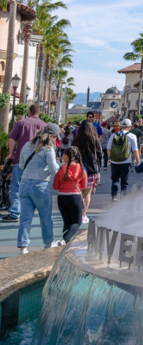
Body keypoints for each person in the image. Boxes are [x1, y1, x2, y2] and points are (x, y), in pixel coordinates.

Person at [16, 124, 60, 253]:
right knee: (45, 216)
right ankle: (48, 243)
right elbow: (53, 169)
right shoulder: (48, 148)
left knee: (25, 217)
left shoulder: (27, 145)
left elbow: (21, 165)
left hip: (24, 183)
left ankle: (23, 247)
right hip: (40, 184)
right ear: (53, 136)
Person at [3, 104, 46, 223]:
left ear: (29, 111)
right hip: (38, 163)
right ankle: (30, 212)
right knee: (35, 187)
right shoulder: (45, 126)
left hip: (21, 161)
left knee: (17, 186)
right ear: (39, 113)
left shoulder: (21, 123)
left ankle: (15, 212)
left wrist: (11, 154)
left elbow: (11, 139)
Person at [53, 146, 87, 245]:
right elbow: (84, 186)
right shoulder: (81, 169)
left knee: (67, 222)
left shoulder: (61, 170)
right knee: (76, 222)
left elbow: (55, 186)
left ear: (67, 156)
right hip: (75, 197)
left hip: (62, 198)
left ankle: (64, 241)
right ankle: (65, 240)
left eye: (64, 154)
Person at [71, 119, 102, 219]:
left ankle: (76, 213)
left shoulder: (76, 140)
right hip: (92, 170)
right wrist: (99, 169)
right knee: (87, 193)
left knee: (78, 192)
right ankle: (83, 214)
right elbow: (100, 155)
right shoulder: (95, 140)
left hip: (78, 170)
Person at [107, 119, 140, 200]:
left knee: (114, 180)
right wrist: (138, 161)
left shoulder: (113, 135)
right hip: (126, 162)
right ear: (129, 127)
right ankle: (123, 199)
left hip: (115, 162)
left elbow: (108, 148)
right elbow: (135, 150)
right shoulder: (132, 136)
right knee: (124, 183)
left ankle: (114, 197)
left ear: (121, 126)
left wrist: (110, 158)